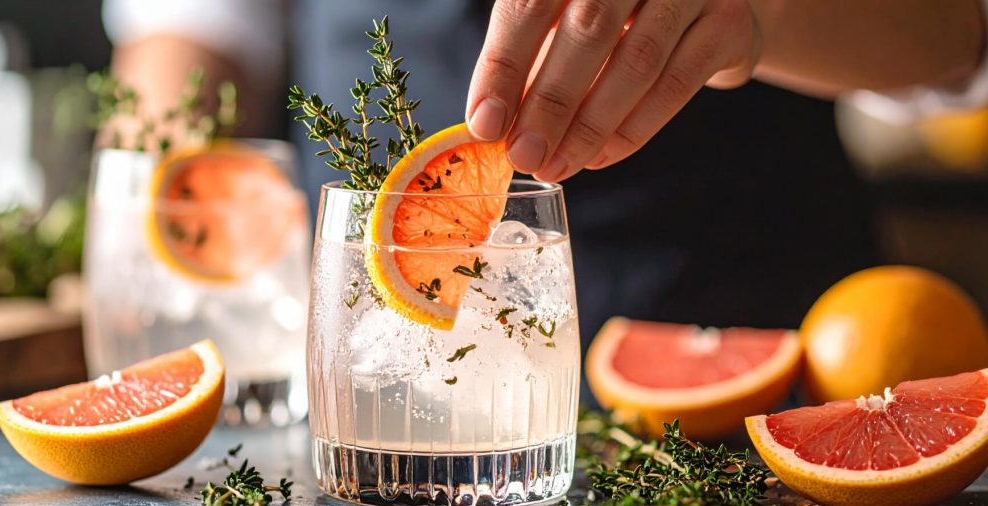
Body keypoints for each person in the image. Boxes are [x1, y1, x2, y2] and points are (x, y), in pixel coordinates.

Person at [102, 0, 988, 401]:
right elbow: (197, 27)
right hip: (366, 378)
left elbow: (961, 36)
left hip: (762, 357)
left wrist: (763, 15)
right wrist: (150, 226)